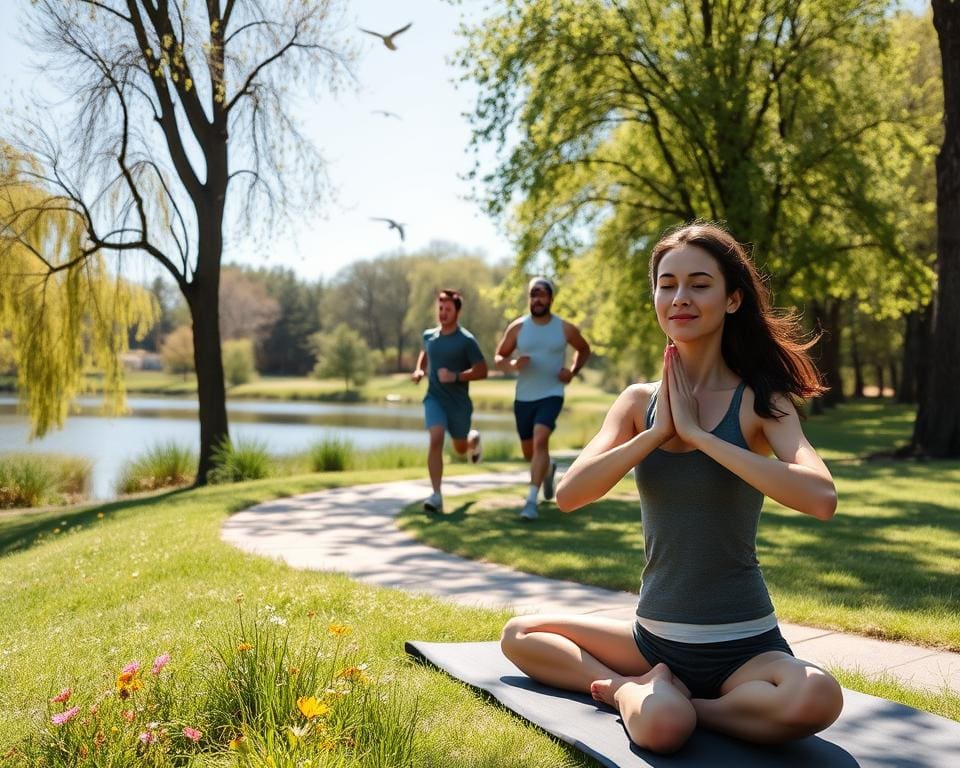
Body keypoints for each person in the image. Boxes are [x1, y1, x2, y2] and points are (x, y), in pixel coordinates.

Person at [500, 223, 843, 753]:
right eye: (668, 284)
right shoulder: (638, 403)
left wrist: (704, 438)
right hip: (651, 641)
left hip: (747, 646)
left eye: (699, 284)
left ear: (732, 299)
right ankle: (627, 692)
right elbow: (570, 495)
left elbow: (821, 498)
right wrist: (658, 434)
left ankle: (693, 708)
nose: (680, 298)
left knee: (818, 695)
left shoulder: (760, 400)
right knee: (518, 634)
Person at [494, 277, 591, 520]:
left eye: (541, 294)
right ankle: (547, 469)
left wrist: (572, 371)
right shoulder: (518, 328)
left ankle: (530, 502)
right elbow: (498, 357)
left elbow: (584, 349)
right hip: (524, 397)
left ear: (551, 298)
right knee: (530, 451)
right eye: (532, 294)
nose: (536, 299)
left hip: (552, 393)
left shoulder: (563, 328)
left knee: (540, 441)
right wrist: (513, 364)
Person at [412, 289, 488, 514]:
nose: (443, 313)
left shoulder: (466, 341)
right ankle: (436, 495)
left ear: (457, 311)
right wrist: (419, 370)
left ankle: (473, 441)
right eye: (440, 309)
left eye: (448, 309)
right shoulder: (430, 336)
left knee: (460, 448)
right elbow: (426, 352)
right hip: (434, 398)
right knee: (435, 439)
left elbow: (482, 370)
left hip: (459, 404)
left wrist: (456, 376)